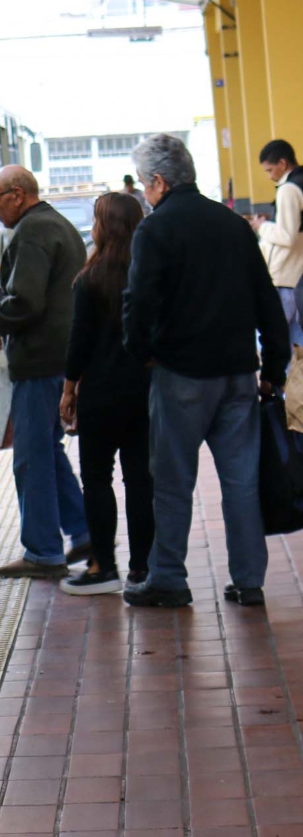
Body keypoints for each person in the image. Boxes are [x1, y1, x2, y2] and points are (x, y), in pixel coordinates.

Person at [123, 134, 290, 608]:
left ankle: (169, 578)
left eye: (143, 184)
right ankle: (249, 580)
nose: (144, 192)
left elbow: (138, 303)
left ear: (158, 181)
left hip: (182, 375)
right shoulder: (233, 225)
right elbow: (267, 298)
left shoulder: (155, 230)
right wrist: (273, 366)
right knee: (241, 481)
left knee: (174, 482)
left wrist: (141, 354)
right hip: (239, 373)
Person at [0, 165, 91, 580]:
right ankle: (82, 530)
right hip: (59, 356)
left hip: (39, 361)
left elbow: (26, 300)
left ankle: (43, 552)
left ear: (18, 194)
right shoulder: (59, 225)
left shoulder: (32, 232)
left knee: (32, 458)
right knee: (48, 452)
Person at [59, 193, 155, 596]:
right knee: (140, 481)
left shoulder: (89, 278)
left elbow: (78, 343)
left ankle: (102, 566)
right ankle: (143, 568)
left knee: (97, 479)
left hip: (100, 392)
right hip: (144, 391)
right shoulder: (148, 273)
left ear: (102, 226)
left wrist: (68, 389)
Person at [252, 139, 303, 347]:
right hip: (298, 276)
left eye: (270, 170)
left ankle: (275, 379)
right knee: (297, 340)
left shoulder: (288, 189)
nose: (269, 176)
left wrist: (261, 226)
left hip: (285, 277)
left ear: (282, 163)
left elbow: (287, 236)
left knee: (273, 340)